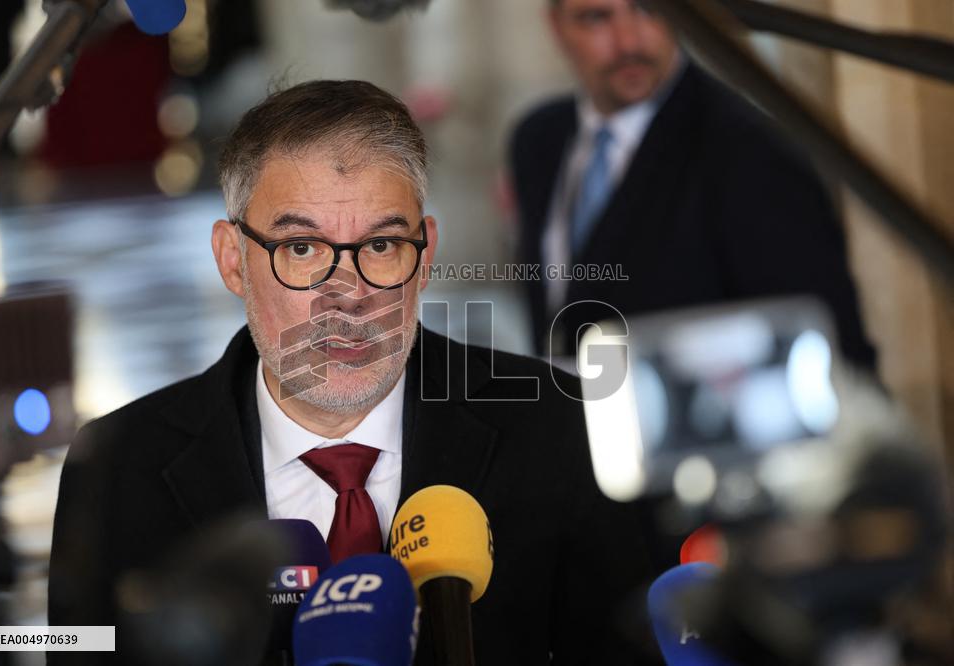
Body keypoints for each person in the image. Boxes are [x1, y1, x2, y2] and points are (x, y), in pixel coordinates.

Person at [49, 80, 658, 665]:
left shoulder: (566, 427)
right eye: (303, 249)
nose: (347, 294)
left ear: (425, 258)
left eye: (381, 246)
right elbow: (85, 652)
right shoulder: (118, 463)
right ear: (233, 261)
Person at [510, 0, 876, 368]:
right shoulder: (539, 141)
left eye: (650, 9)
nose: (629, 43)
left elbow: (829, 351)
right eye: (597, 18)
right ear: (556, 27)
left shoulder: (752, 150)